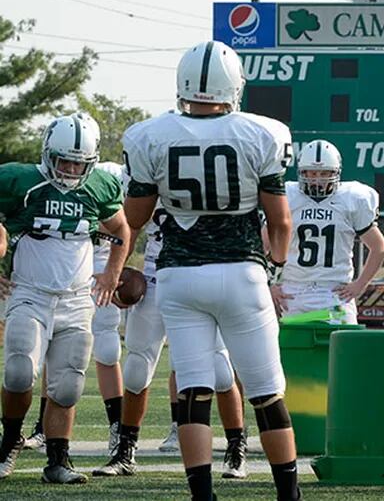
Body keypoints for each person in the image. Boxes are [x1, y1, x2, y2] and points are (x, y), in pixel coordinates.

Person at [122, 40, 300, 501]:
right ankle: (288, 494)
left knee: (193, 393)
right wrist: (276, 268)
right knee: (266, 392)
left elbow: (136, 217)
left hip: (179, 277)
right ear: (234, 86)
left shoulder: (151, 135)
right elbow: (280, 222)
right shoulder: (261, 133)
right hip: (241, 273)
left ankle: (202, 496)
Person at [0, 114, 129, 483]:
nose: (71, 169)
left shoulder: (100, 184)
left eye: (79, 163)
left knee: (69, 383)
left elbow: (121, 229)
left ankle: (58, 460)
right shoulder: (20, 180)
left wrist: (113, 273)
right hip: (29, 292)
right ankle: (10, 441)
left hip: (76, 298)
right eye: (64, 161)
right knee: (19, 372)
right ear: (47, 153)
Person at [93, 196, 249, 480]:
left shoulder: (214, 181)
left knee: (221, 372)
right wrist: (116, 272)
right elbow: (131, 226)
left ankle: (236, 447)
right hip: (156, 276)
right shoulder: (151, 179)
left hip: (201, 276)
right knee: (137, 370)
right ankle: (125, 451)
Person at [25, 162, 128, 453]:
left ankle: (118, 428)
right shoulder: (57, 180)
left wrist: (116, 272)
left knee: (107, 350)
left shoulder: (112, 179)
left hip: (99, 266)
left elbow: (123, 228)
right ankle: (43, 427)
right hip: (67, 266)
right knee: (53, 345)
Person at [270, 139, 384, 323]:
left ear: (335, 173)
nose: (317, 179)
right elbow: (262, 245)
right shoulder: (289, 196)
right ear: (302, 172)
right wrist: (269, 284)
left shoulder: (351, 199)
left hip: (335, 292)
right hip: (293, 292)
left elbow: (379, 247)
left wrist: (360, 285)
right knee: (293, 343)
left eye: (324, 173)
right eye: (312, 172)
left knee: (341, 342)